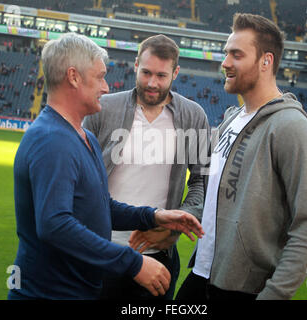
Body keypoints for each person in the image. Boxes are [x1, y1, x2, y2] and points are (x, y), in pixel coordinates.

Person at [8, 32, 204, 300]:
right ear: (74, 77)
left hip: (82, 282)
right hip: (54, 291)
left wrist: (154, 216)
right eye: (100, 77)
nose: (106, 87)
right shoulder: (52, 140)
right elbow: (54, 224)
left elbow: (100, 204)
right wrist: (133, 263)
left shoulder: (82, 136)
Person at [176, 13, 307, 300]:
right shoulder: (231, 118)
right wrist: (178, 221)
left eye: (236, 54)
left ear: (265, 61)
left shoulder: (292, 129)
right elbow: (217, 198)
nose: (225, 63)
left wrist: (274, 294)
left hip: (244, 289)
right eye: (226, 53)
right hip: (202, 274)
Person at [82, 34, 211, 300]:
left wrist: (176, 222)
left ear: (175, 73)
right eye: (146, 72)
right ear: (136, 64)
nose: (152, 83)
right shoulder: (102, 108)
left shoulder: (193, 115)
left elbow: (201, 180)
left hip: (158, 259)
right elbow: (80, 178)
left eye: (162, 76)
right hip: (101, 253)